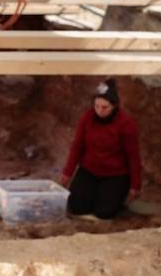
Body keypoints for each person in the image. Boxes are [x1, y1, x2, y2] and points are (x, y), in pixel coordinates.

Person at [58, 78, 142, 221]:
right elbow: (77, 146)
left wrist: (135, 185)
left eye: (105, 107)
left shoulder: (126, 124)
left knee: (105, 212)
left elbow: (133, 156)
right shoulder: (87, 118)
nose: (99, 111)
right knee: (76, 207)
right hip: (89, 170)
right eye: (97, 106)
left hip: (115, 175)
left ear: (114, 106)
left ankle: (114, 200)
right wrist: (67, 173)